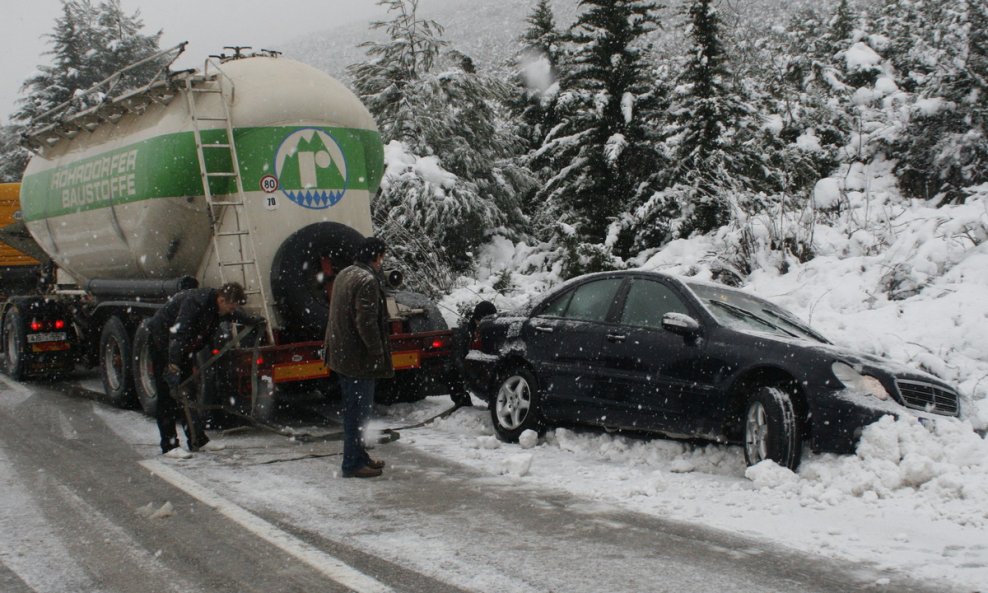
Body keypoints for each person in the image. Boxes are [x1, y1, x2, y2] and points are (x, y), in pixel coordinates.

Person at [147, 282, 248, 455]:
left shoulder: (216, 305)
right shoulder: (194, 303)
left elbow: (233, 315)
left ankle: (198, 441)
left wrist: (251, 320)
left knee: (189, 394)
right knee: (169, 395)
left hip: (183, 348)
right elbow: (178, 334)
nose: (232, 311)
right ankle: (169, 446)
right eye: (231, 307)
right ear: (222, 299)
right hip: (164, 344)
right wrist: (173, 366)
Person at [324, 237, 394, 478]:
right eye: (382, 257)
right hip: (357, 358)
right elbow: (365, 321)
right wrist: (377, 351)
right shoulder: (367, 281)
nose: (382, 262)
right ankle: (352, 463)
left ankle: (360, 456)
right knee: (358, 412)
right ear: (375, 257)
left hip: (341, 353)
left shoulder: (345, 273)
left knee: (355, 409)